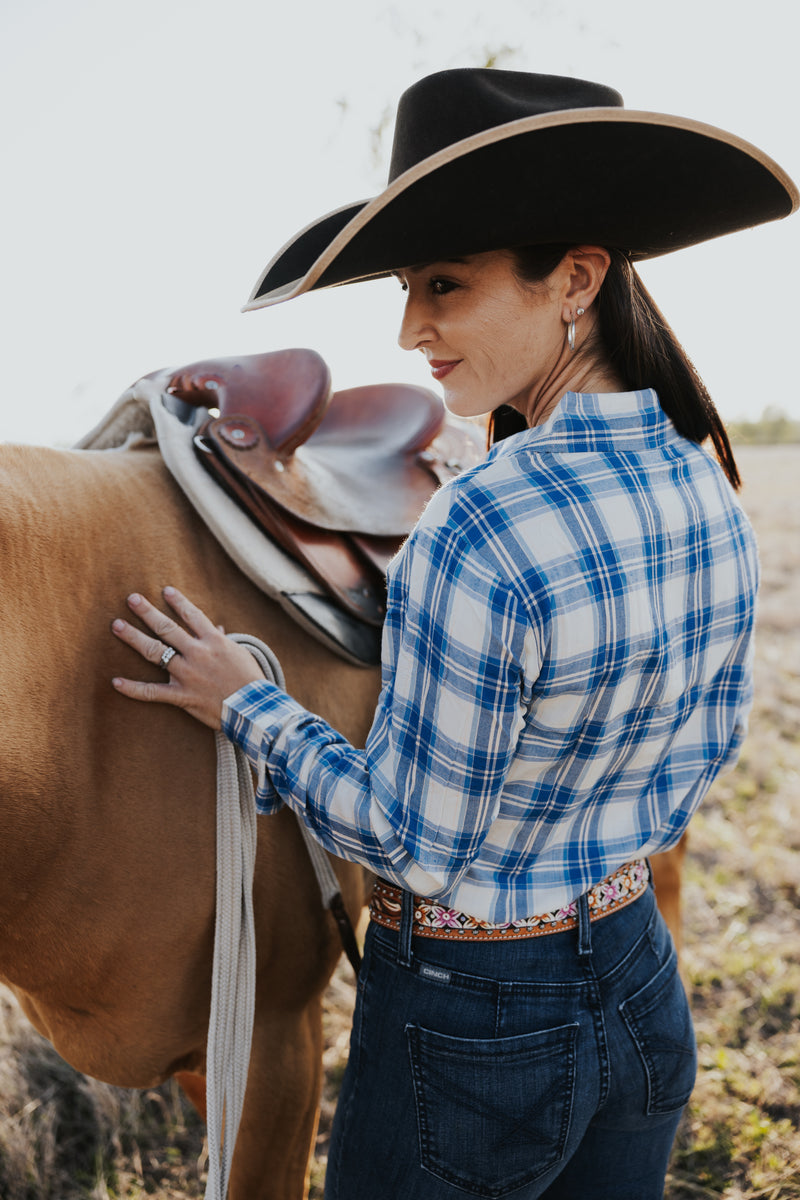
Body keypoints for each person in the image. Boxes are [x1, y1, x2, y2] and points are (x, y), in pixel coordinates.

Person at [110, 69, 797, 1198]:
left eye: (443, 284)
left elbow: (411, 844)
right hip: (640, 983)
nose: (407, 327)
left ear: (574, 280)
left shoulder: (479, 522)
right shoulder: (702, 482)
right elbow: (696, 763)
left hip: (473, 1021)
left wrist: (249, 705)